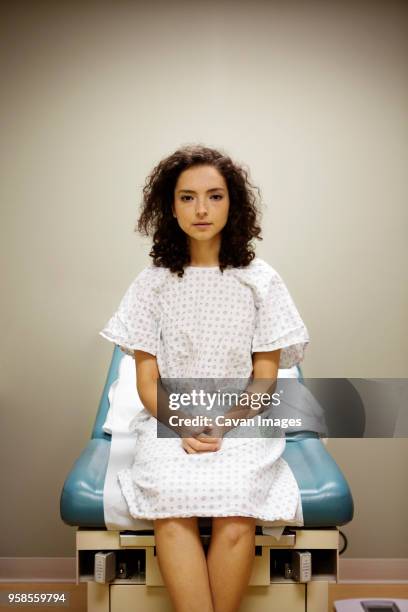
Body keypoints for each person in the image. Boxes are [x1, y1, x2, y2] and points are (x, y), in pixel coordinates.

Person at [99, 144, 310, 612]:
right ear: (169, 207)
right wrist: (181, 423)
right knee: (171, 502)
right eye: (188, 197)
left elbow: (265, 379)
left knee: (237, 502)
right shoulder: (151, 284)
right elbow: (147, 381)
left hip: (244, 420)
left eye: (214, 196)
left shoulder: (260, 281)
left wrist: (223, 424)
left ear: (232, 204)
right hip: (172, 418)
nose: (201, 209)